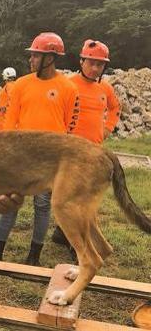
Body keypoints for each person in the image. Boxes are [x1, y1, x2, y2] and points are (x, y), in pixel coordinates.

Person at [0, 32, 80, 266]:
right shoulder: (21, 85)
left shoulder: (67, 88)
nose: (31, 60)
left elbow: (69, 124)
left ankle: (34, 256)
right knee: (10, 202)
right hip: (20, 156)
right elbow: (10, 121)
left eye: (35, 56)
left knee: (42, 205)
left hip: (49, 159)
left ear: (50, 57)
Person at [52, 39, 120, 253]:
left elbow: (115, 108)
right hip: (71, 150)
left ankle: (79, 244)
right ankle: (64, 233)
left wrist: (107, 128)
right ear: (81, 61)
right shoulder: (69, 84)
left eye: (100, 64)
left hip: (94, 151)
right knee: (67, 195)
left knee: (85, 198)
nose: (95, 68)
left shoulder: (105, 89)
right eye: (91, 62)